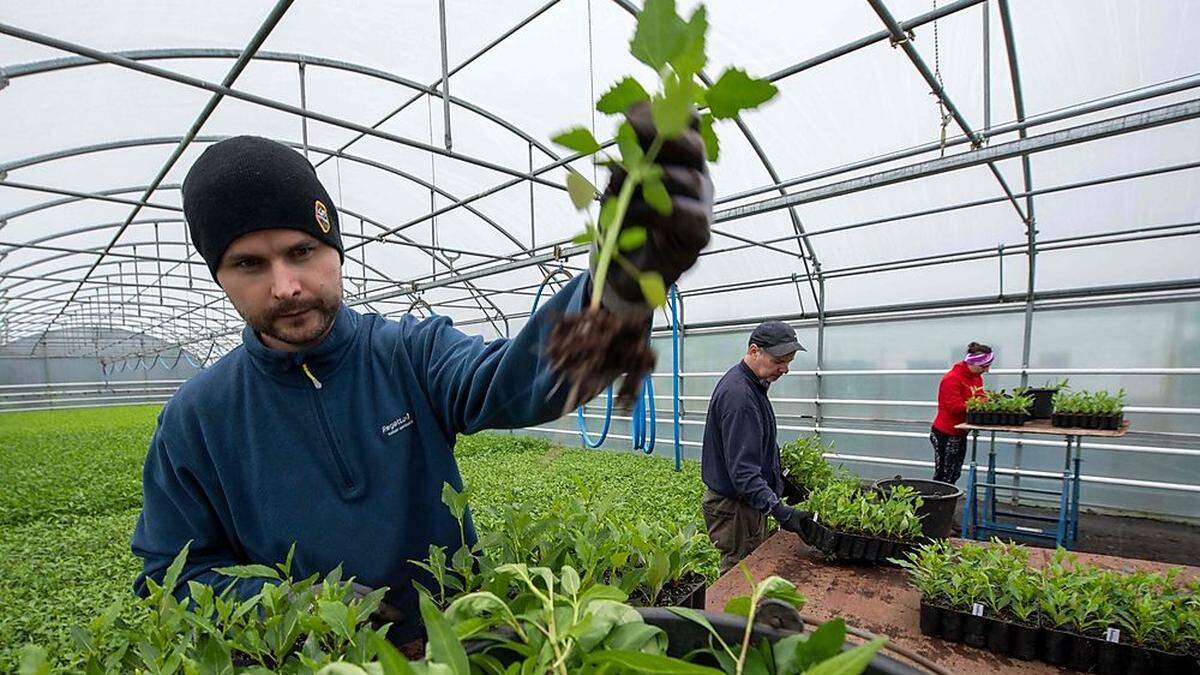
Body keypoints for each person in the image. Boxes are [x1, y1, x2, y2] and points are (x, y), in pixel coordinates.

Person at [130, 108, 712, 642]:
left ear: (335, 247)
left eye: (302, 251)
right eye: (249, 264)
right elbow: (171, 574)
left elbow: (513, 384)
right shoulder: (198, 420)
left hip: (458, 647)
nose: (285, 285)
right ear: (220, 276)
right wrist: (294, 605)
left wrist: (617, 290)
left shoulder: (408, 353)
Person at [700, 321, 811, 573]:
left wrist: (781, 482)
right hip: (736, 508)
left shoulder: (752, 385)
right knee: (740, 575)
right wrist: (780, 510)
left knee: (751, 570)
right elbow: (743, 472)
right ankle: (731, 614)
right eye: (779, 360)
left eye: (789, 361)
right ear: (754, 351)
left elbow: (755, 450)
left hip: (745, 504)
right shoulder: (740, 396)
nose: (785, 369)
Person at [930, 341, 994, 484]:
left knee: (954, 473)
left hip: (960, 432)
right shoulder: (951, 379)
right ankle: (936, 502)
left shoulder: (976, 377)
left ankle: (946, 503)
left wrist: (989, 401)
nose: (987, 370)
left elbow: (980, 396)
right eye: (984, 366)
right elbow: (955, 407)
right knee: (944, 475)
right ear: (973, 363)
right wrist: (979, 404)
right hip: (945, 433)